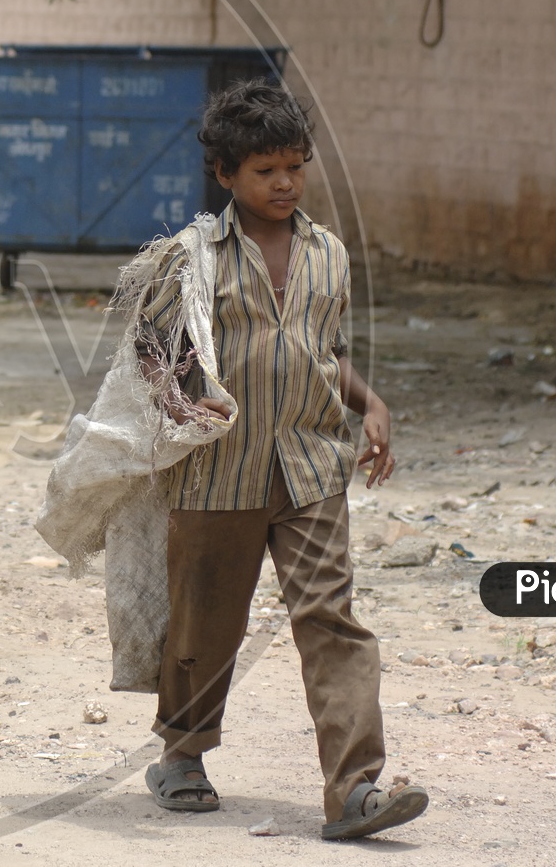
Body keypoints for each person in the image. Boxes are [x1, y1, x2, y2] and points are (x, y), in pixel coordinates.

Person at [136, 78, 427, 840]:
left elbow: (323, 348)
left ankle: (356, 788)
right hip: (217, 470)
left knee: (331, 616)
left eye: (295, 165)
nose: (285, 182)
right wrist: (175, 402)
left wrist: (371, 403)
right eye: (266, 169)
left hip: (308, 464)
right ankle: (183, 756)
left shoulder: (329, 254)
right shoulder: (191, 256)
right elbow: (153, 348)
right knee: (206, 622)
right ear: (227, 174)